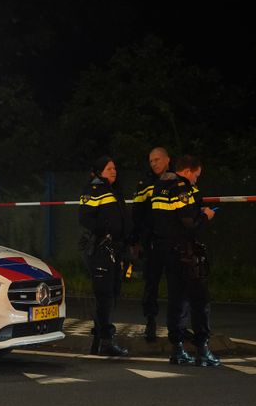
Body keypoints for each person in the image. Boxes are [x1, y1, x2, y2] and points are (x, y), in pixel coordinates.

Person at [150, 155, 220, 367]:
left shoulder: (159, 186)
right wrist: (206, 215)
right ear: (188, 171)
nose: (196, 180)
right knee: (199, 301)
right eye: (196, 176)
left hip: (166, 253)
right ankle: (203, 349)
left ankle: (178, 349)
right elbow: (189, 223)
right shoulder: (181, 188)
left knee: (176, 300)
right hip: (186, 254)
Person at [78, 155, 129, 357]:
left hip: (115, 250)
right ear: (99, 172)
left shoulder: (113, 190)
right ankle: (105, 341)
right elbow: (84, 218)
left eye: (114, 168)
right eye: (109, 169)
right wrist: (105, 231)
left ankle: (99, 339)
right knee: (104, 296)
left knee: (111, 294)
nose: (113, 171)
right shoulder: (94, 189)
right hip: (100, 250)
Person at [131, 147, 171, 342]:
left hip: (173, 243)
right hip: (152, 243)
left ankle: (177, 325)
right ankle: (151, 323)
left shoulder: (176, 181)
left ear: (167, 160)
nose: (154, 163)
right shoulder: (145, 184)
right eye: (151, 160)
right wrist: (136, 241)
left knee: (177, 285)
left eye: (157, 159)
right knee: (151, 284)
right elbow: (136, 214)